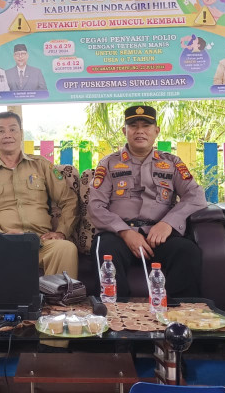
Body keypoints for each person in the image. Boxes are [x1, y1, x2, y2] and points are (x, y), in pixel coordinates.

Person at [88, 105, 207, 299]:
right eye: (133, 126)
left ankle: (180, 313)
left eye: (146, 126)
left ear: (156, 131)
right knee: (104, 247)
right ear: (124, 131)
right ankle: (114, 312)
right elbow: (95, 206)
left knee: (187, 251)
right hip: (119, 236)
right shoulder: (108, 163)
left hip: (158, 236)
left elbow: (196, 195)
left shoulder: (172, 163)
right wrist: (125, 232)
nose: (140, 131)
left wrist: (168, 223)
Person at [0, 111, 78, 277]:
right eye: (1, 131)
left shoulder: (41, 165)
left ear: (21, 134)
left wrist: (61, 232)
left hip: (41, 242)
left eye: (13, 129)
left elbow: (69, 200)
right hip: (2, 243)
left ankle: (57, 294)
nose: (8, 135)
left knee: (66, 248)